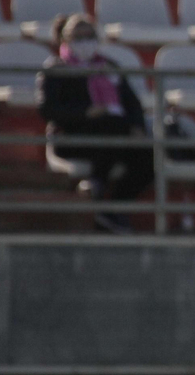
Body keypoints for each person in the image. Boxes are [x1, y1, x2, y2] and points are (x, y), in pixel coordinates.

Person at [37, 13, 155, 233]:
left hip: (114, 133)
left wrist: (137, 127)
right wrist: (85, 113)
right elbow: (48, 109)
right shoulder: (56, 69)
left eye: (89, 35)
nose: (85, 41)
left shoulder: (109, 66)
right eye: (78, 36)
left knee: (149, 157)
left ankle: (114, 211)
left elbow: (132, 103)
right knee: (112, 124)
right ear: (65, 40)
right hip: (73, 136)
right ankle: (98, 181)